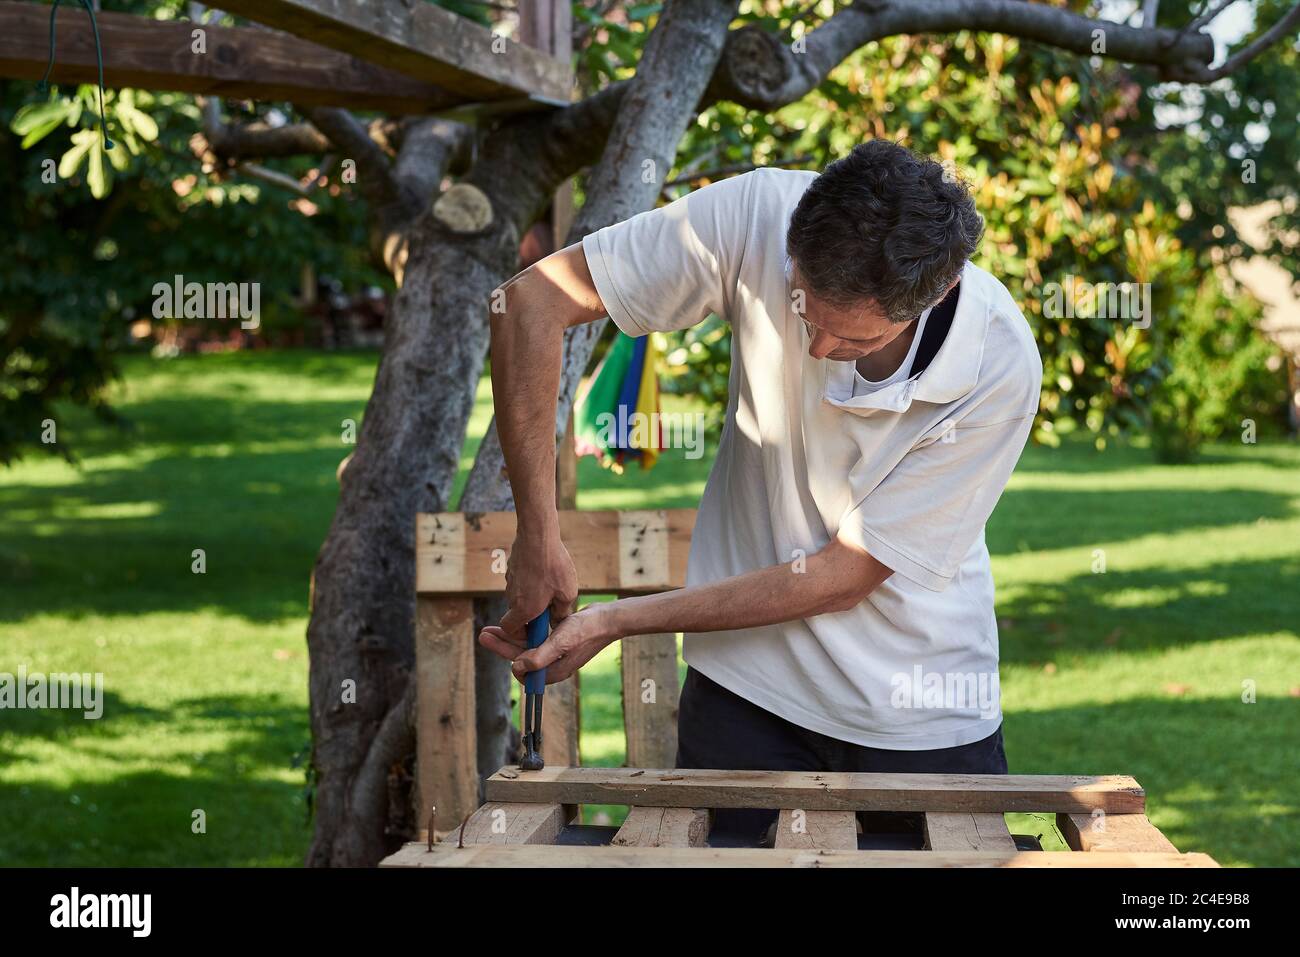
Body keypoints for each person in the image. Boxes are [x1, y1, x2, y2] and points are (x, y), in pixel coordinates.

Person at [477, 140, 1042, 843]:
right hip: (745, 694)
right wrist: (538, 534)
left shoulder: (997, 362)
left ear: (937, 292)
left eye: (853, 341)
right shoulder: (757, 213)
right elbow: (529, 301)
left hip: (918, 712)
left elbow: (841, 576)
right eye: (806, 314)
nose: (817, 352)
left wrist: (612, 621)